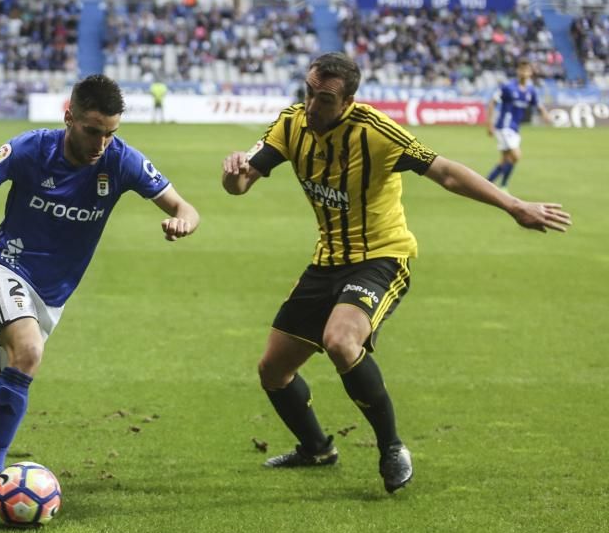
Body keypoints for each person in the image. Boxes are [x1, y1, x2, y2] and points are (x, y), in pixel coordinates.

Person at [221, 52, 570, 494]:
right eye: (308, 92)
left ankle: (391, 447)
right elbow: (241, 183)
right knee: (273, 369)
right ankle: (316, 448)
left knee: (340, 341)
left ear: (348, 100)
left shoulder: (376, 131)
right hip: (327, 259)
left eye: (324, 99)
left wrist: (514, 205)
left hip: (381, 257)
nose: (311, 105)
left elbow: (444, 172)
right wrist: (233, 172)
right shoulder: (290, 124)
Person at [0, 74, 200, 507]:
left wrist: (182, 222)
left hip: (52, 296)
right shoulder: (32, 148)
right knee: (27, 352)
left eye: (110, 133)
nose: (102, 142)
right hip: (4, 269)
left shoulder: (121, 161)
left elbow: (184, 206)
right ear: (69, 117)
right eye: (92, 130)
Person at [486, 58, 551, 191]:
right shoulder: (508, 87)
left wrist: (545, 114)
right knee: (516, 155)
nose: (524, 72)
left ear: (531, 73)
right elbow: (492, 102)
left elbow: (538, 104)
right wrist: (489, 124)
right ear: (517, 71)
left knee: (504, 160)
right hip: (504, 127)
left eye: (526, 70)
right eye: (521, 69)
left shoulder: (530, 91)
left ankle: (486, 184)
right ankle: (503, 186)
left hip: (515, 129)